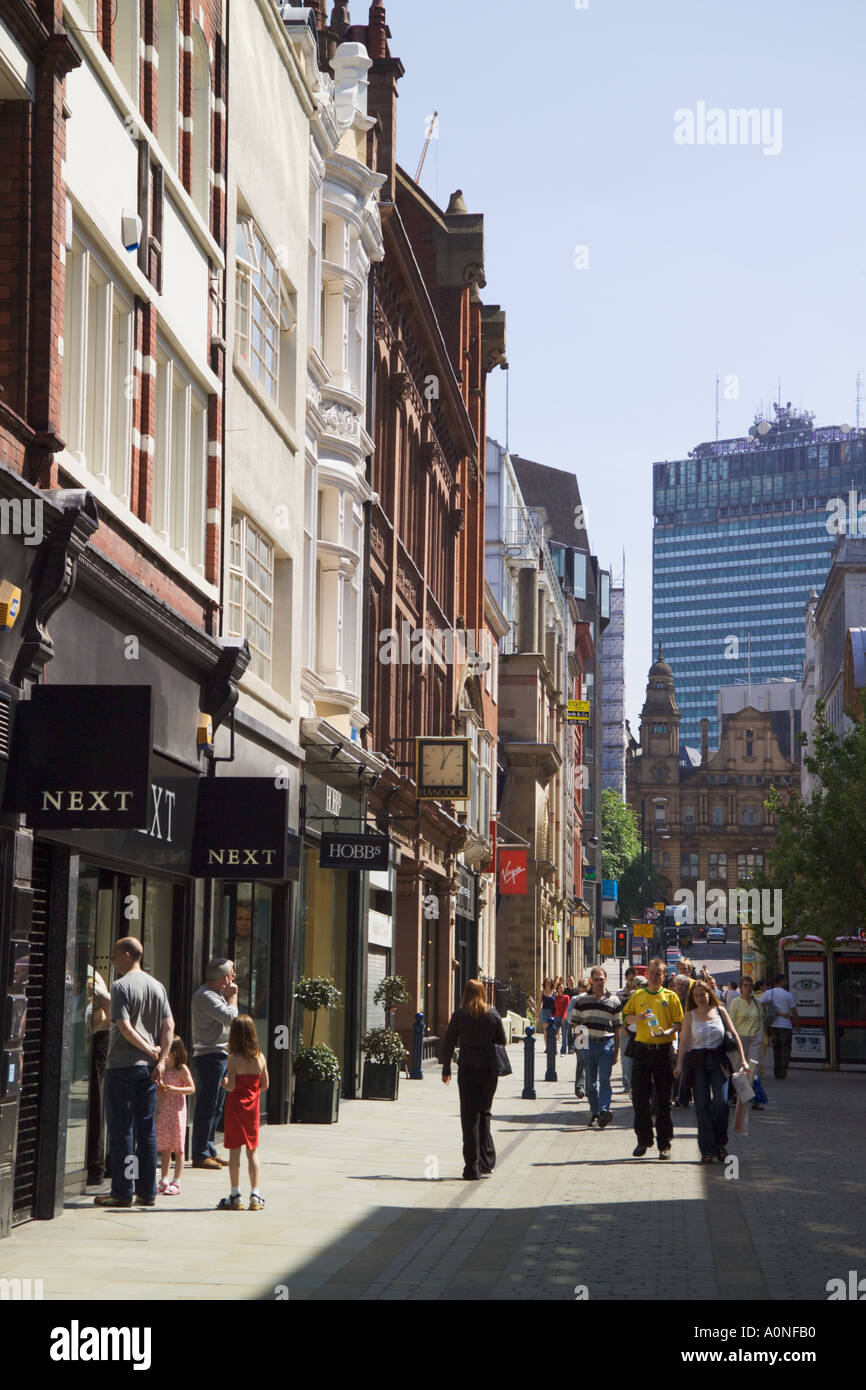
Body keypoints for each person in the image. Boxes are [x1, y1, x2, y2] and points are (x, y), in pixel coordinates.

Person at [94, 937, 174, 1209]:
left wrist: (152, 1053)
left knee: (122, 1130)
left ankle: (122, 1191)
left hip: (122, 1067)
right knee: (147, 1130)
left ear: (128, 955)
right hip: (149, 1072)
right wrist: (161, 1060)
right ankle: (147, 1191)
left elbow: (125, 1028)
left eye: (115, 957)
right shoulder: (157, 986)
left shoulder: (120, 986)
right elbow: (169, 1026)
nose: (113, 962)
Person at [674, 978, 748, 1162]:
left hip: (718, 1061)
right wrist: (678, 1065)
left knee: (721, 1103)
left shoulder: (720, 1011)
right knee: (701, 1106)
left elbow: (734, 1034)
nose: (700, 998)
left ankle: (720, 1143)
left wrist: (743, 1060)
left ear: (709, 994)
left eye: (703, 994)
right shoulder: (689, 1015)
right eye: (696, 995)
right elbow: (683, 1041)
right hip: (697, 1062)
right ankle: (707, 1150)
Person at [440, 979, 507, 1180]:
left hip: (468, 1068)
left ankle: (472, 1167)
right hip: (488, 1070)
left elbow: (449, 1042)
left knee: (469, 1117)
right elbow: (502, 1040)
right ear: (483, 993)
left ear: (466, 994)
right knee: (484, 1113)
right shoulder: (493, 1014)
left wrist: (446, 1069)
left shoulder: (460, 1015)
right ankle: (487, 1161)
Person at [621, 956, 683, 1159]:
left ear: (664, 976)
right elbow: (624, 1016)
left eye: (659, 973)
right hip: (642, 1050)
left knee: (663, 1100)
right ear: (646, 974)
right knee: (639, 1098)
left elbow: (679, 1023)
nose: (655, 976)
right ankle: (643, 1139)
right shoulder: (638, 995)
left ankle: (664, 1143)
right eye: (652, 973)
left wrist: (667, 1030)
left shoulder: (670, 997)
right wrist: (636, 1019)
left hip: (664, 1051)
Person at [191, 958, 239, 1169]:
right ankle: (200, 1153)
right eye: (232, 973)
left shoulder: (216, 995)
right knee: (207, 1105)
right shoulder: (206, 996)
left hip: (220, 1055)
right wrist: (234, 996)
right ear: (224, 978)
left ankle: (209, 1148)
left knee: (217, 1106)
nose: (234, 977)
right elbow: (230, 1018)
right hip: (210, 1056)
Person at [218, 1015, 269, 1211]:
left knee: (234, 1152)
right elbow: (265, 1085)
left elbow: (230, 1086)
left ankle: (235, 1194)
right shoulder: (260, 1057)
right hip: (252, 1109)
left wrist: (224, 1083)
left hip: (235, 1108)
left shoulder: (232, 1058)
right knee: (252, 1151)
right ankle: (255, 1195)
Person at [566, 966, 621, 1128]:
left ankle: (604, 1111)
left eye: (601, 979)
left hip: (606, 1044)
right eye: (596, 979)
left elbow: (618, 1028)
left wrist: (616, 1051)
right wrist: (581, 1045)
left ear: (606, 980)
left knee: (604, 1080)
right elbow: (575, 1022)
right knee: (591, 1083)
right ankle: (595, 1112)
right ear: (591, 981)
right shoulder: (581, 1000)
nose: (599, 982)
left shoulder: (614, 1000)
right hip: (588, 1045)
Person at [156, 1037, 195, 1195]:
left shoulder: (182, 1069)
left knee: (178, 1148)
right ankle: (164, 1178)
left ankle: (177, 1181)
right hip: (164, 1110)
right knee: (165, 1147)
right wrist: (160, 1089)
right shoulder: (163, 1068)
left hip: (177, 1111)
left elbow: (191, 1088)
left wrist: (175, 1089)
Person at [85, 965, 112, 1186]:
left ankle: (97, 1166)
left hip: (97, 1037)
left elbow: (107, 1000)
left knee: (96, 1097)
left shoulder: (88, 974)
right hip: (91, 1035)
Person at [729, 978, 766, 1108]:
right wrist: (732, 1038)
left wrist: (760, 1036)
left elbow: (761, 1020)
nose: (748, 988)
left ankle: (755, 1099)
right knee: (739, 1068)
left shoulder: (757, 1002)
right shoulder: (736, 1002)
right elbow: (731, 1021)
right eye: (745, 985)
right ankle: (737, 1097)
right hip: (740, 1038)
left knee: (753, 1068)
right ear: (741, 987)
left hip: (754, 1038)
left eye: (750, 985)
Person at [761, 972, 801, 1080]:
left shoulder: (769, 993)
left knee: (776, 1049)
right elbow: (794, 1012)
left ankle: (777, 1072)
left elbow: (760, 1003)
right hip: (786, 1025)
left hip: (773, 1025)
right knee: (786, 1049)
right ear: (782, 981)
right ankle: (783, 1071)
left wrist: (769, 1011)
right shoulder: (789, 995)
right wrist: (797, 1025)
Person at [617, 968, 644, 1098]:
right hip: (628, 1034)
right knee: (626, 1062)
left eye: (642, 985)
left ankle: (637, 1088)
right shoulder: (625, 998)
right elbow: (620, 1016)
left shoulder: (648, 1000)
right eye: (637, 985)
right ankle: (630, 1085)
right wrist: (623, 1029)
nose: (639, 988)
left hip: (643, 1036)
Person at [554, 982, 571, 1056]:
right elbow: (554, 1008)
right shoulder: (556, 997)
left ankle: (563, 1051)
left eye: (562, 987)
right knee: (553, 1034)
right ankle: (554, 1050)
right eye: (559, 987)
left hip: (564, 1017)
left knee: (564, 1035)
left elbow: (567, 1008)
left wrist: (564, 1017)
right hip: (556, 1017)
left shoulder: (566, 997)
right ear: (557, 989)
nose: (561, 989)